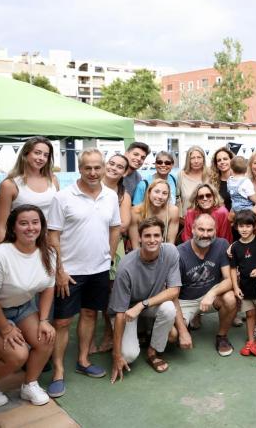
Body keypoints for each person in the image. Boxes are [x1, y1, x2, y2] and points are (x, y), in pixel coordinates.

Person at [47, 149, 122, 398]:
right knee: (62, 322)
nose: (92, 172)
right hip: (69, 271)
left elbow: (115, 228)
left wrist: (109, 257)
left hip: (99, 269)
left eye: (97, 167)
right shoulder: (63, 197)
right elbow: (53, 235)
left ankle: (83, 360)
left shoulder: (111, 196)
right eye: (87, 168)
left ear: (103, 168)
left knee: (90, 314)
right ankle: (58, 371)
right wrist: (59, 270)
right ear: (79, 169)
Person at [0, 205, 56, 407]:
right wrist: (6, 328)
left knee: (46, 338)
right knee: (17, 355)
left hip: (21, 306)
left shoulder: (48, 253)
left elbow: (49, 287)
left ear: (42, 225)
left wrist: (44, 320)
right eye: (23, 223)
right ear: (13, 228)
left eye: (35, 222)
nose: (30, 228)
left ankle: (29, 384)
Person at [108, 217, 180, 382]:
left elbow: (174, 290)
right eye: (147, 235)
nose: (152, 240)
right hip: (126, 311)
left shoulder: (170, 252)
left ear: (162, 237)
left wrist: (142, 305)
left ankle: (153, 351)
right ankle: (129, 335)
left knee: (169, 308)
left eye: (156, 235)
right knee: (128, 356)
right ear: (140, 238)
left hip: (145, 305)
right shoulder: (126, 266)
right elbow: (119, 313)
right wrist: (116, 355)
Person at [171, 214, 237, 356]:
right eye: (201, 229)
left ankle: (222, 336)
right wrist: (182, 330)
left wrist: (212, 293)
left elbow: (228, 280)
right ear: (192, 229)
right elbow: (172, 293)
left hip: (210, 297)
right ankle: (186, 326)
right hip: (185, 301)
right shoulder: (179, 252)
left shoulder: (221, 245)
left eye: (210, 230)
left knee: (230, 298)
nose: (206, 234)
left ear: (215, 231)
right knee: (172, 335)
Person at [91, 153, 132, 355]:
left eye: (119, 166)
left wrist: (96, 221)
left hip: (114, 246)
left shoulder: (123, 195)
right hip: (88, 245)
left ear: (124, 173)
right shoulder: (89, 185)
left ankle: (109, 333)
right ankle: (90, 338)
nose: (114, 168)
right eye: (112, 163)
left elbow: (123, 225)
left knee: (111, 292)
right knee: (91, 292)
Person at [0, 136, 59, 242]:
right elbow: (2, 227)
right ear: (25, 154)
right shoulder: (9, 185)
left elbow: (58, 216)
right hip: (22, 244)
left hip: (49, 243)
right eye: (37, 153)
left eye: (46, 155)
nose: (41, 158)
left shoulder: (53, 180)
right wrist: (0, 250)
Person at [230, 210, 256, 357]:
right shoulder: (235, 247)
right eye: (241, 226)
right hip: (245, 288)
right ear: (236, 227)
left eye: (248, 226)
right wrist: (235, 287)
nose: (244, 229)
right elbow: (233, 268)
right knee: (250, 314)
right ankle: (251, 341)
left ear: (253, 227)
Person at [129, 179, 179, 248]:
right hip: (141, 251)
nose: (160, 196)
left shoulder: (173, 211)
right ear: (149, 192)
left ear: (168, 196)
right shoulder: (135, 212)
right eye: (157, 192)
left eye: (164, 193)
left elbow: (170, 243)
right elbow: (135, 245)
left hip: (163, 251)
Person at [177, 146, 209, 219]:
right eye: (192, 158)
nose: (196, 161)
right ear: (188, 160)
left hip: (208, 220)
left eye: (199, 157)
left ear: (203, 159)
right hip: (186, 220)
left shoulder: (210, 174)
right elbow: (177, 199)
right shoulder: (181, 175)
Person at [209, 146, 234, 211]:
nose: (222, 162)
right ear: (216, 164)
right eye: (219, 160)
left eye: (225, 159)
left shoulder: (240, 180)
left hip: (239, 216)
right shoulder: (212, 183)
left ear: (231, 160)